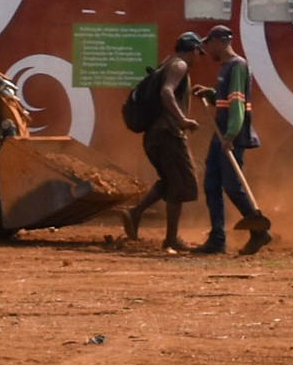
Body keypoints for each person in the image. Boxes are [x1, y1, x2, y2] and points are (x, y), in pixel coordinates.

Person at [115, 30, 204, 252]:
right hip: (167, 135)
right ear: (193, 50)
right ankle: (171, 238)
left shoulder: (168, 64)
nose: (198, 58)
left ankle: (135, 213)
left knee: (171, 181)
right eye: (198, 53)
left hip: (156, 137)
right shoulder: (179, 65)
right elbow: (166, 92)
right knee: (182, 183)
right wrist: (182, 120)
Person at [196, 28, 275, 255]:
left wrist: (231, 135)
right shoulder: (225, 68)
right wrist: (209, 94)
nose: (207, 49)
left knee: (231, 184)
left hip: (231, 136)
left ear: (220, 42)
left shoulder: (237, 66)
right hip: (220, 135)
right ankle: (217, 238)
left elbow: (238, 105)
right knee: (211, 184)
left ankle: (259, 231)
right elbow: (224, 99)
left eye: (208, 44)